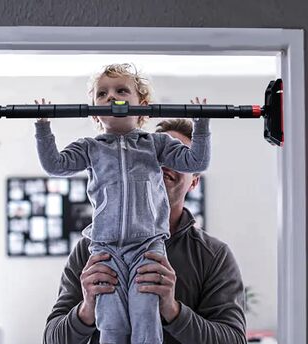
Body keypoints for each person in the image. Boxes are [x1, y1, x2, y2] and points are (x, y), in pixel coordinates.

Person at [35, 63, 211, 344]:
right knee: (111, 321)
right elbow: (55, 165)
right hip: (106, 249)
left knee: (145, 315)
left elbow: (196, 161)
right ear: (94, 110)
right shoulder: (89, 148)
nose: (111, 97)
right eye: (102, 94)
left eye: (121, 90)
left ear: (142, 106)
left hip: (147, 247)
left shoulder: (156, 144)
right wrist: (43, 127)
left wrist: (202, 125)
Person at [41, 117, 246, 344]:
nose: (165, 163)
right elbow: (52, 339)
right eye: (156, 156)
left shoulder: (213, 256)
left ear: (194, 179)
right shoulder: (90, 248)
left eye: (177, 156)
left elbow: (234, 340)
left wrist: (173, 310)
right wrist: (87, 309)